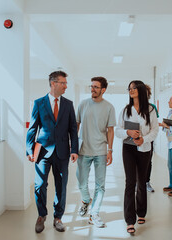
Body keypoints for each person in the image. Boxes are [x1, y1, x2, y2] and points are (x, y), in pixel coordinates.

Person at [26, 71, 79, 233]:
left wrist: (74, 149)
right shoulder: (39, 103)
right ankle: (42, 215)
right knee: (40, 184)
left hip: (62, 152)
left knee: (61, 186)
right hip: (42, 152)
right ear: (53, 84)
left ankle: (58, 217)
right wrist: (29, 150)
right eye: (63, 83)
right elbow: (33, 128)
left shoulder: (68, 104)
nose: (66, 86)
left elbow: (72, 130)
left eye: (66, 83)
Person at [116, 80, 159, 234]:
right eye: (129, 88)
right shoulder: (126, 110)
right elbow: (117, 130)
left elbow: (154, 131)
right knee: (130, 182)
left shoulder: (150, 110)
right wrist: (128, 132)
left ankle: (141, 212)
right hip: (128, 148)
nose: (131, 90)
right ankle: (130, 220)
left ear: (140, 90)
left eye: (134, 88)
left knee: (142, 181)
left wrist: (144, 139)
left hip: (145, 148)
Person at [76, 76, 116, 228]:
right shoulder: (83, 104)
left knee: (100, 185)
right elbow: (76, 126)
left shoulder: (109, 107)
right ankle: (86, 200)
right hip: (83, 150)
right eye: (91, 86)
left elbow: (110, 130)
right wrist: (73, 147)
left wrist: (110, 150)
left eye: (96, 87)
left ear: (103, 90)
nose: (92, 89)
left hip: (100, 150)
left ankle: (94, 213)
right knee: (81, 182)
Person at [145, 84, 159, 192]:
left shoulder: (152, 108)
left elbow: (155, 125)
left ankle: (146, 182)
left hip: (149, 139)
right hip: (135, 140)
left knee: (148, 161)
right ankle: (136, 183)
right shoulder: (131, 107)